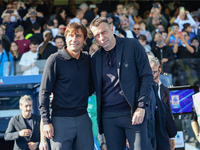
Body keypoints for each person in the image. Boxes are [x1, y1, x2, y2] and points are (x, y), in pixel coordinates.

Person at [90, 17, 154, 150]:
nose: (101, 37)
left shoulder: (132, 45)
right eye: (97, 35)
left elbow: (147, 76)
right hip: (108, 118)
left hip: (133, 113)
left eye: (104, 32)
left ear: (112, 29)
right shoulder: (95, 58)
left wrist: (141, 106)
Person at [39, 22, 94, 150]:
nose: (74, 39)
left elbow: (92, 85)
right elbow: (44, 92)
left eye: (78, 36)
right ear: (65, 38)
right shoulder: (54, 60)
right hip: (60, 120)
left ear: (85, 39)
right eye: (70, 35)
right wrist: (46, 122)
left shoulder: (88, 59)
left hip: (83, 118)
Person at [148, 55, 177, 150]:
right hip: (148, 130)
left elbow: (168, 112)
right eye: (150, 71)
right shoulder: (143, 89)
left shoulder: (164, 89)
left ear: (159, 70)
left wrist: (172, 136)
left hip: (162, 131)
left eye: (155, 71)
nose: (153, 74)